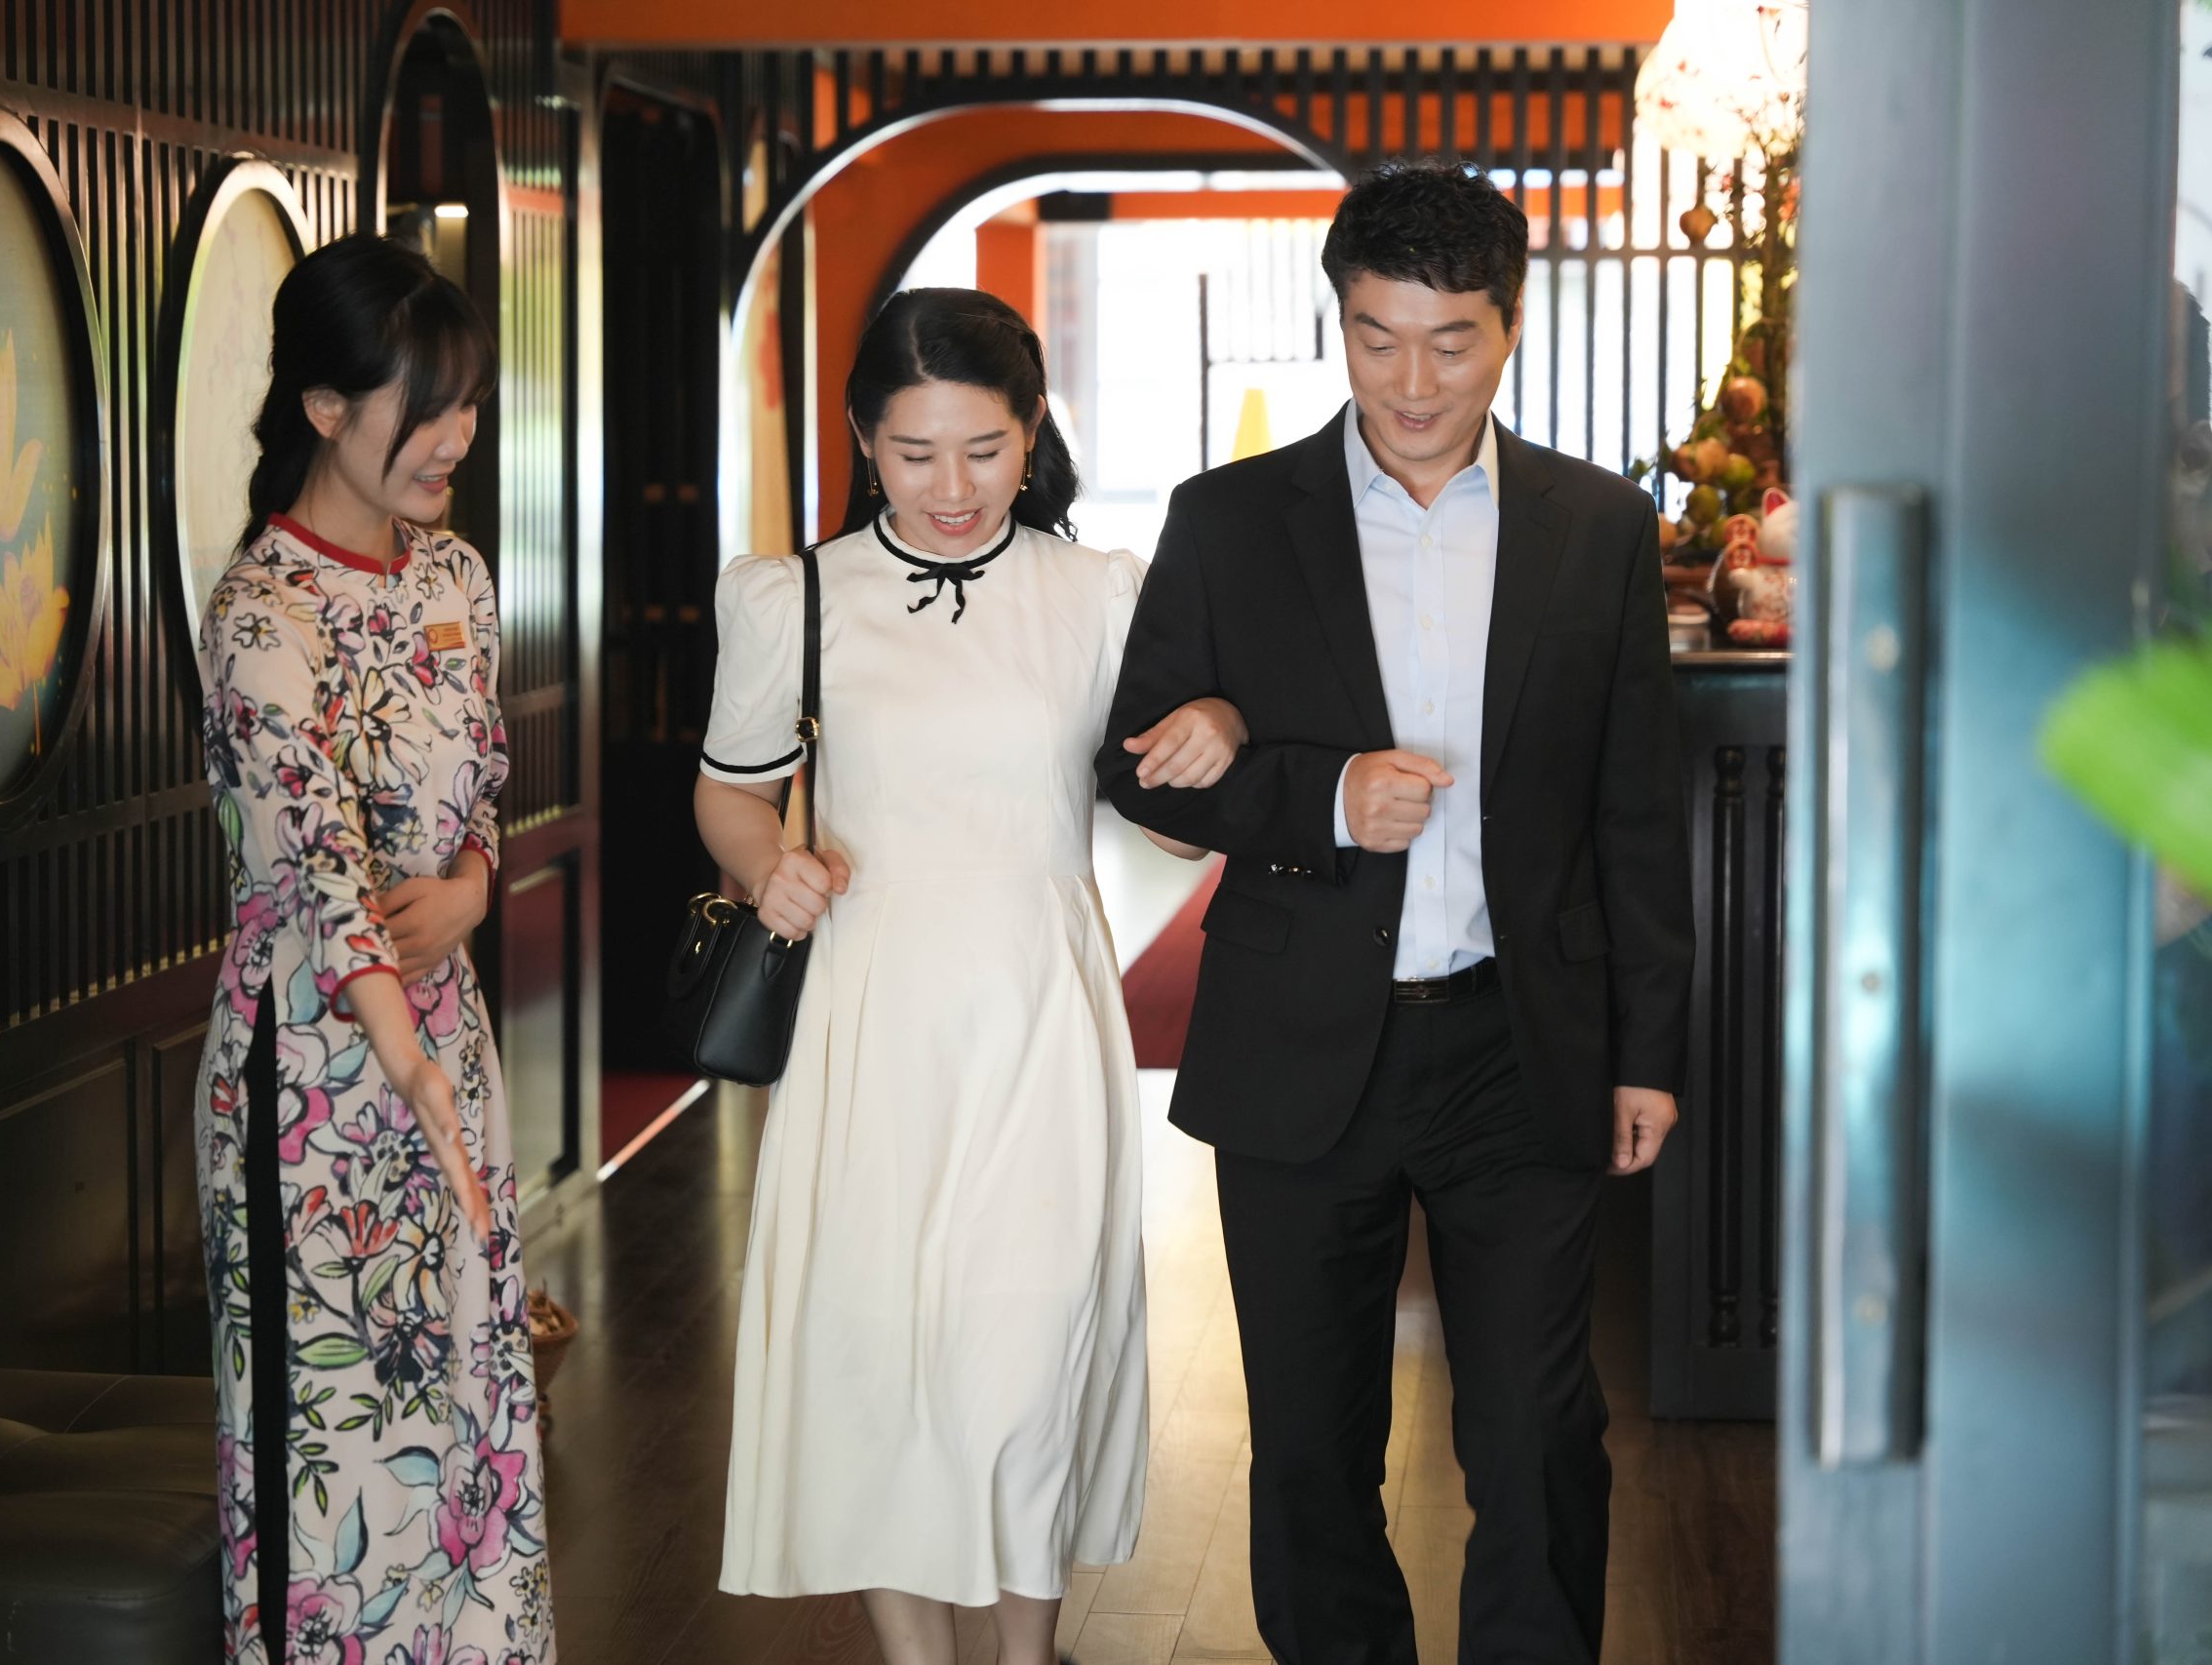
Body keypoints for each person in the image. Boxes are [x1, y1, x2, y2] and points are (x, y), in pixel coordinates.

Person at [1097, 160, 1695, 1664]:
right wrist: (1316, 792)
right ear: (1340, 324)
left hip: (1520, 1039)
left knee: (1540, 1436)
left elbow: (1636, 810)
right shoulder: (1230, 520)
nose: (1413, 384)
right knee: (1310, 1452)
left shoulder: (1598, 525)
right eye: (1377, 338)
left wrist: (1649, 1050)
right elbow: (1136, 766)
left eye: (1451, 342)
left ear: (1510, 328)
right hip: (1301, 1041)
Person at [695, 287, 1243, 1665]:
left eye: (985, 450)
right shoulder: (794, 596)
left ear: (1033, 428)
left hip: (1038, 1006)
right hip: (870, 1014)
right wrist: (769, 865)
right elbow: (732, 792)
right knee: (884, 1353)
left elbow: (1173, 824)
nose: (952, 488)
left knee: (1027, 1352)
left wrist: (1214, 737)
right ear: (862, 439)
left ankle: (1026, 1653)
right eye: (914, 453)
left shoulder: (1097, 593)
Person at [195, 233, 554, 1665]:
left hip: (445, 1048)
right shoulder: (259, 613)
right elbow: (320, 870)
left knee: (468, 1418)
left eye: (469, 403)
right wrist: (408, 1073)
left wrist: (473, 883)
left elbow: (483, 776)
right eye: (428, 406)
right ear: (326, 408)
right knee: (333, 1446)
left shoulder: (456, 574)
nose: (457, 436)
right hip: (313, 1084)